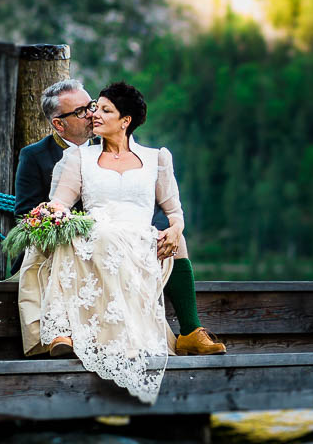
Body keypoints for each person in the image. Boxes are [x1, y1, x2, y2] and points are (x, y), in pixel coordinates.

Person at [16, 81, 225, 403]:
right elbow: (60, 200)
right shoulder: (78, 158)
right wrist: (54, 214)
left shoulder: (156, 158)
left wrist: (175, 229)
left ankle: (191, 331)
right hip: (96, 232)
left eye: (101, 109)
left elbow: (173, 210)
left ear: (125, 120)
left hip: (137, 235)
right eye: (90, 109)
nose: (93, 115)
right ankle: (65, 331)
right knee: (92, 235)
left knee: (173, 240)